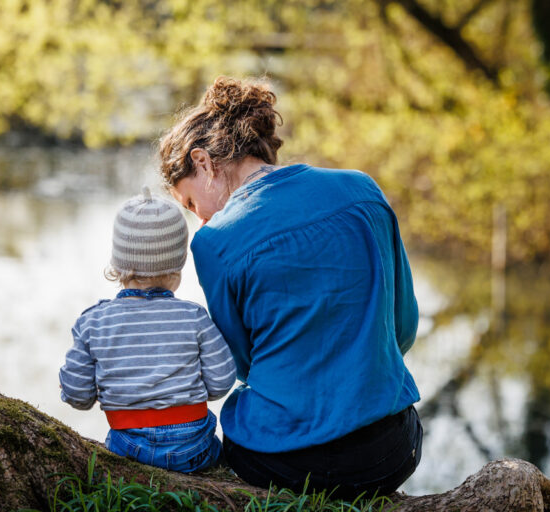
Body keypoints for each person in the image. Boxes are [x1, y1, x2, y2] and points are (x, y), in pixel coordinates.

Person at [159, 76, 422, 499]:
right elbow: (404, 328)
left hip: (282, 461)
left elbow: (243, 365)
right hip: (389, 453)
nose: (200, 219)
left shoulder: (215, 243)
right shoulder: (363, 190)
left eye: (191, 203)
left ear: (203, 162)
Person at [59, 186, 236, 473]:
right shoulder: (194, 317)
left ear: (117, 265)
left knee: (114, 445)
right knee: (223, 453)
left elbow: (77, 395)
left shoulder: (93, 322)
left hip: (129, 449)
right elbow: (222, 382)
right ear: (177, 267)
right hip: (194, 448)